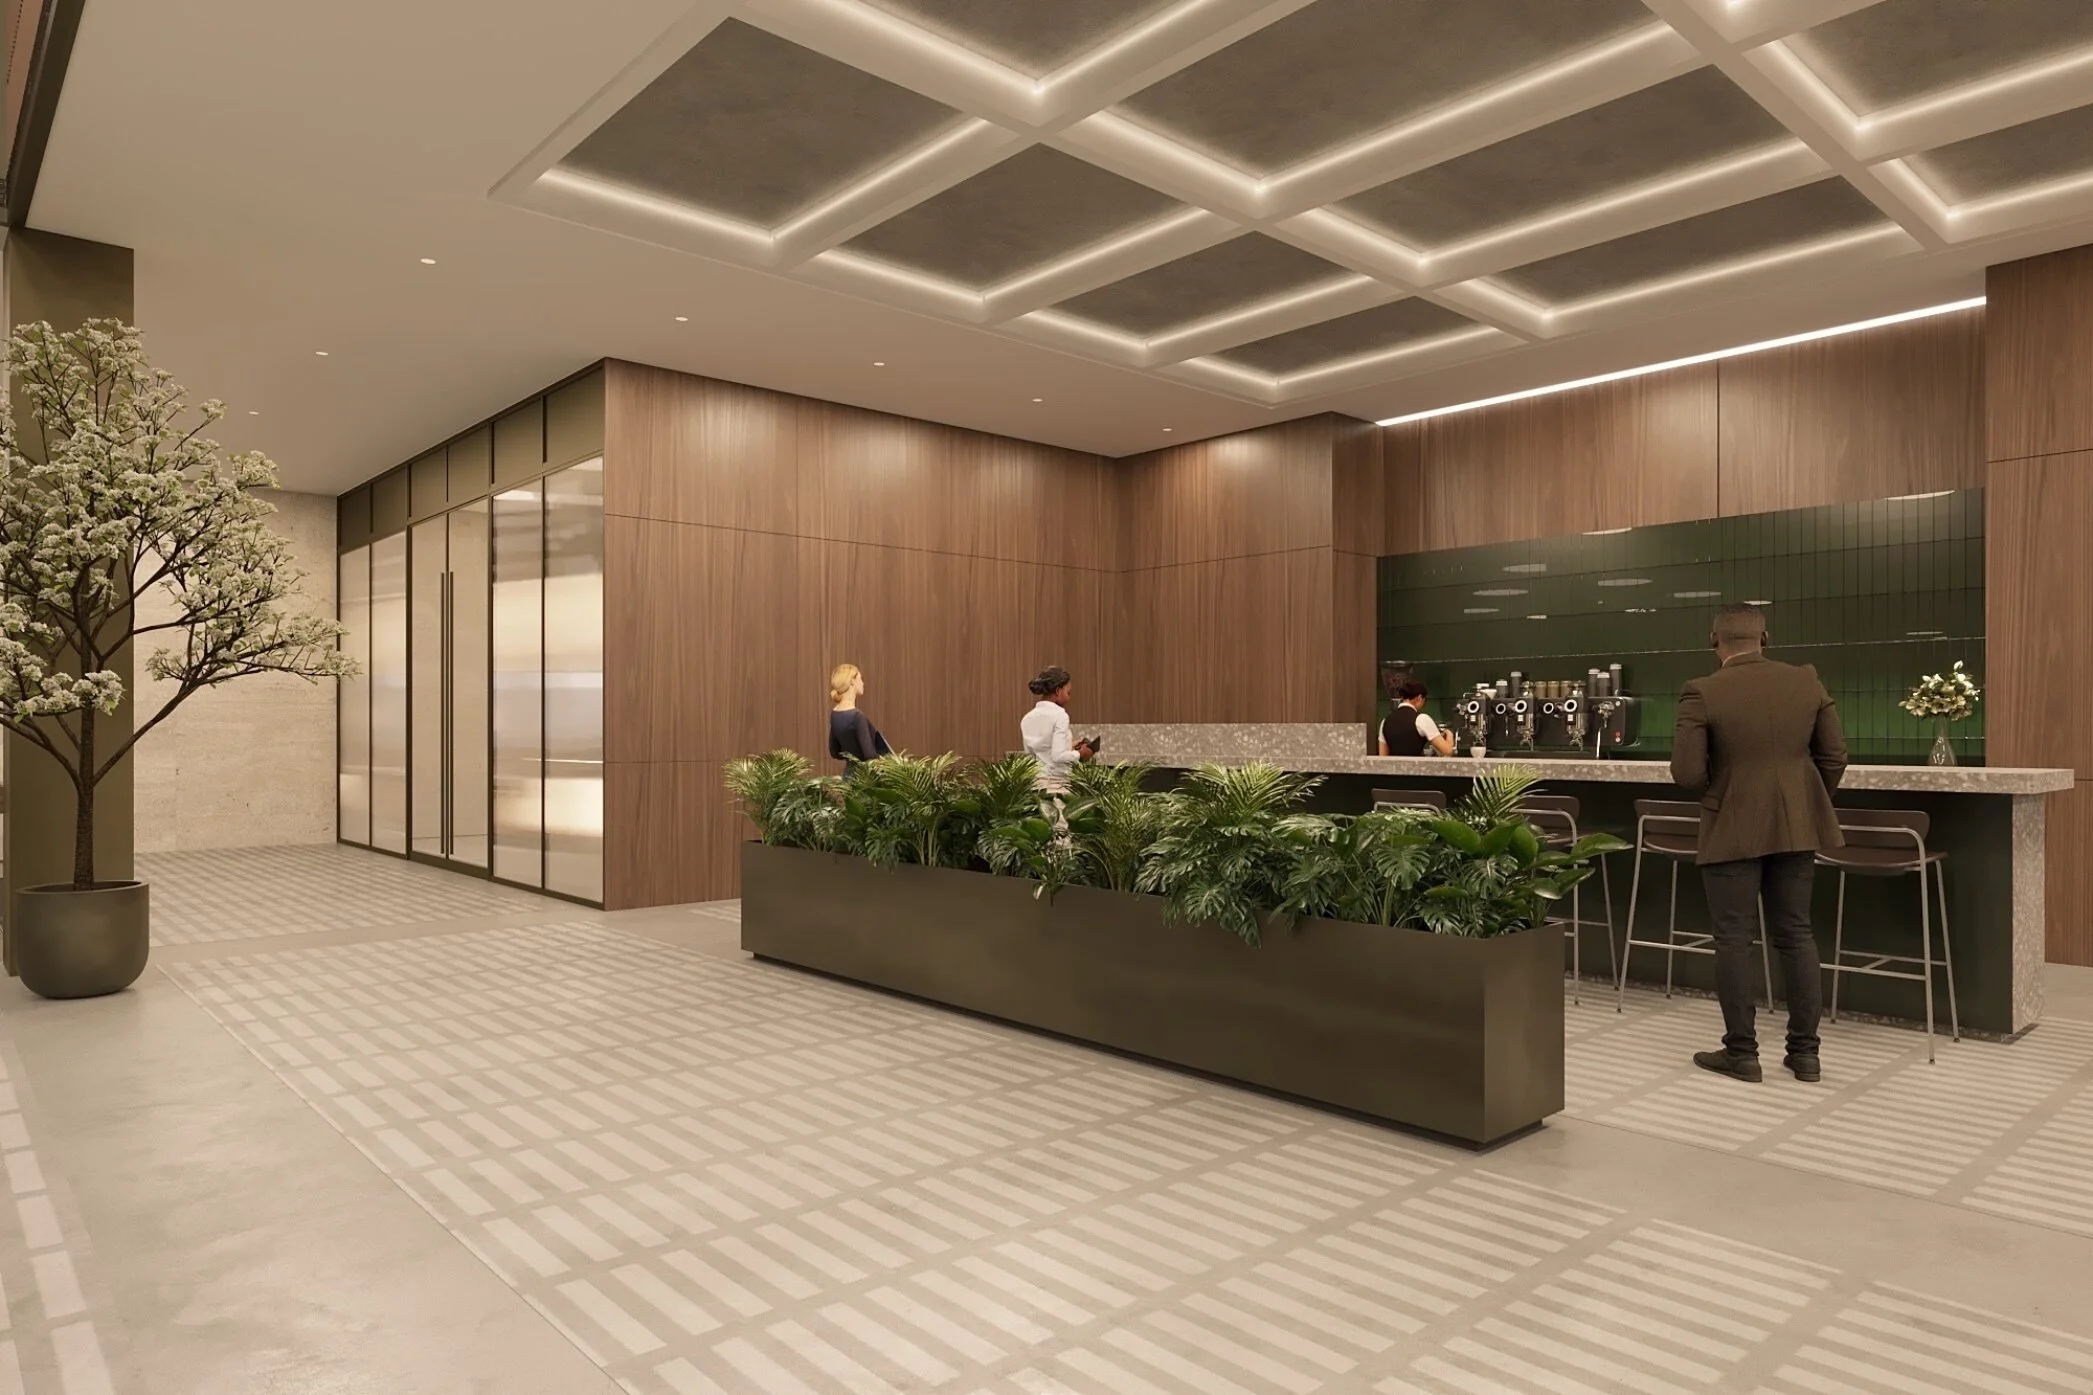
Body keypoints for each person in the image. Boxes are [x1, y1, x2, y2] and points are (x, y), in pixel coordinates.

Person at [1670, 604, 1848, 1085]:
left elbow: (1686, 774)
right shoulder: (1806, 680)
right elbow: (1834, 755)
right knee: (1795, 933)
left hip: (1730, 827)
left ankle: (1742, 1054)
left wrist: (1724, 789)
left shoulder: (1701, 691)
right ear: (1765, 637)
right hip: (1796, 828)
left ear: (1714, 640)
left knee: (1734, 938)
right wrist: (1805, 800)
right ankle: (1805, 1055)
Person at [1021, 665, 1095, 792]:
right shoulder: (1060, 715)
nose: (1069, 697)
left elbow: (1036, 753)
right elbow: (1058, 756)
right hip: (1057, 785)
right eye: (1068, 692)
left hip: (1036, 784)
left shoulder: (1027, 718)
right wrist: (1080, 754)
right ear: (1057, 691)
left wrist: (1069, 745)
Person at [827, 662, 890, 774]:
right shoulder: (857, 717)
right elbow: (870, 756)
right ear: (852, 681)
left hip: (848, 776)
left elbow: (834, 752)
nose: (863, 683)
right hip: (863, 780)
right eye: (860, 679)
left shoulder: (835, 714)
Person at [1379, 678, 1455, 756]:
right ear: (1419, 698)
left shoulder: (1385, 721)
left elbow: (1383, 757)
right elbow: (1447, 751)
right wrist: (1449, 734)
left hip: (1392, 768)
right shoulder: (1422, 719)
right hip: (1416, 767)